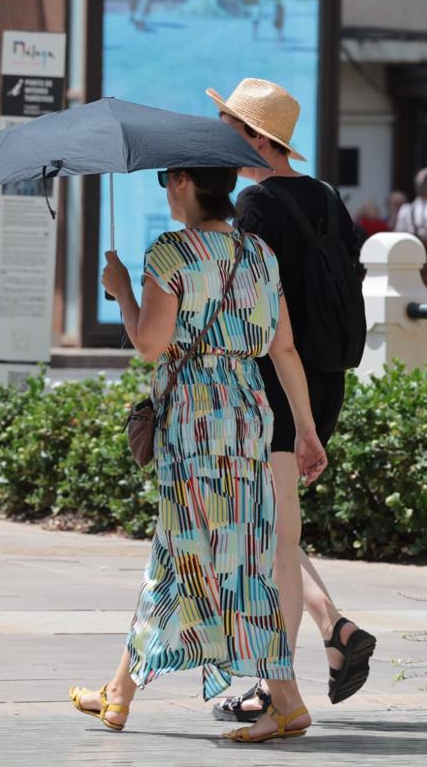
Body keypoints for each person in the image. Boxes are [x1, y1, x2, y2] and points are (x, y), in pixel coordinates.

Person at [71, 166, 328, 744]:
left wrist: (120, 292)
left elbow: (148, 344)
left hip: (193, 421)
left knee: (215, 555)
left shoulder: (171, 254)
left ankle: (286, 699)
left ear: (184, 182)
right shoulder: (257, 252)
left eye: (167, 178)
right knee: (201, 549)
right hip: (248, 413)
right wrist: (307, 429)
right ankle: (119, 693)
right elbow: (283, 347)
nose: (165, 187)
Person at [207, 78, 377, 723]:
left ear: (254, 138)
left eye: (227, 125)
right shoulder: (328, 199)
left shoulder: (255, 206)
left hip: (275, 380)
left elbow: (253, 307)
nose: (219, 134)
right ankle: (331, 633)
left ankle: (275, 683)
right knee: (275, 525)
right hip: (326, 376)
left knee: (275, 532)